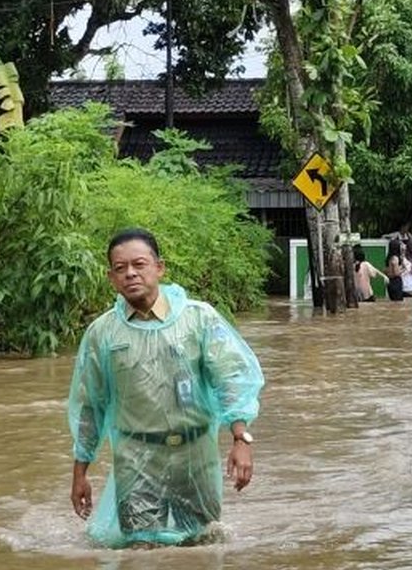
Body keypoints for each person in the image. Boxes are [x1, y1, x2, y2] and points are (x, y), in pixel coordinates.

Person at [67, 228, 265, 548]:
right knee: (142, 549)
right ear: (111, 277)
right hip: (135, 455)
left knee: (204, 542)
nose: (130, 273)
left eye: (139, 264)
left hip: (195, 453)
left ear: (159, 267)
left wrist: (241, 438)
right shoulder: (102, 333)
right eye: (120, 268)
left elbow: (230, 379)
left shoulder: (198, 319)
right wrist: (80, 473)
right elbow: (91, 404)